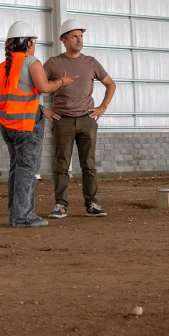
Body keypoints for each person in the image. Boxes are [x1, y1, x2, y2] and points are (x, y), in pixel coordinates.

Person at [0, 21, 77, 228]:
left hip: (8, 124)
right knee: (26, 171)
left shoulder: (5, 65)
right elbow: (44, 87)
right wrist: (62, 82)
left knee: (16, 170)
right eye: (33, 40)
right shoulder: (31, 62)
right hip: (27, 124)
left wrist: (3, 101)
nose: (34, 44)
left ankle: (15, 214)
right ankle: (23, 216)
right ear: (28, 43)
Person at [43, 19, 116, 219]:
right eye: (74, 36)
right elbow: (35, 87)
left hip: (87, 120)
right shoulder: (53, 63)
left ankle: (91, 203)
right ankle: (60, 204)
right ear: (64, 40)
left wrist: (102, 107)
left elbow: (110, 84)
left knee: (88, 165)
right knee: (61, 165)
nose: (79, 39)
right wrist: (43, 110)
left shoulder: (91, 62)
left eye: (81, 36)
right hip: (62, 120)